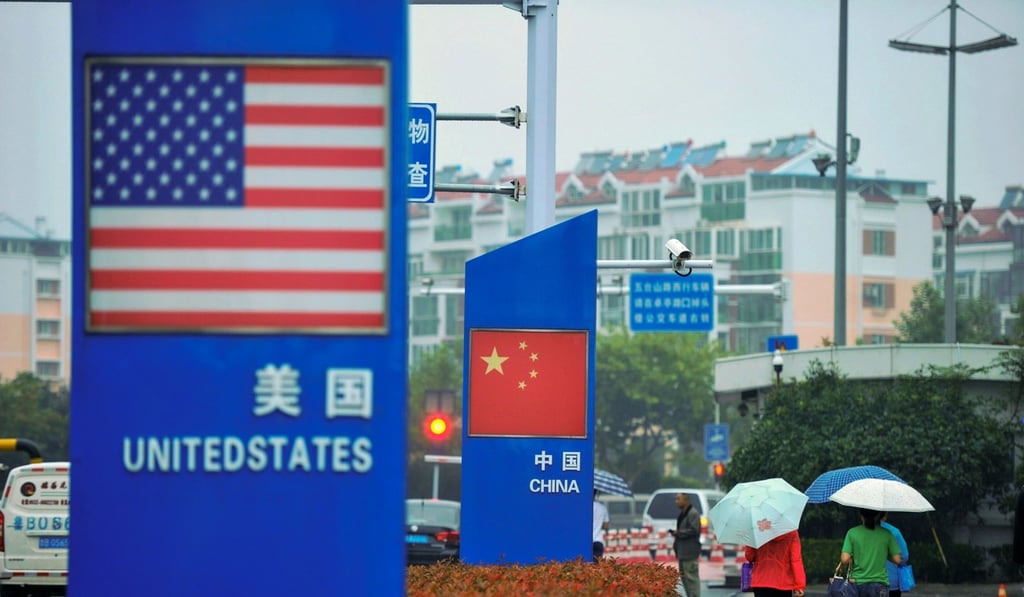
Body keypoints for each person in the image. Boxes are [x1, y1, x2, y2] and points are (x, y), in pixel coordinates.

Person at [840, 508, 901, 596]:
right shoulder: (887, 533)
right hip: (880, 584)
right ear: (878, 515)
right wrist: (883, 554)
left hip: (857, 583)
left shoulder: (852, 533)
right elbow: (898, 559)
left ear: (861, 516)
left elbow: (844, 559)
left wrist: (855, 554)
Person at [743, 529, 806, 597]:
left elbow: (750, 556)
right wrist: (799, 585)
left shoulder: (757, 530)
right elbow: (796, 560)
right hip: (783, 583)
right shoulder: (791, 531)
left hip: (760, 581)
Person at [668, 492, 701, 597]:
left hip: (689, 552)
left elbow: (694, 530)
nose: (676, 502)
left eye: (678, 499)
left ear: (686, 500)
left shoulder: (693, 513)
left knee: (691, 579)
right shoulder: (683, 513)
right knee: (685, 579)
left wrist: (679, 533)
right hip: (682, 552)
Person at [880, 512, 911, 596]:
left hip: (865, 582)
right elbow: (904, 557)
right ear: (885, 515)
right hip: (891, 581)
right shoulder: (894, 532)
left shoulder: (858, 532)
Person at [592, 490, 609, 563]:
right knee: (596, 568)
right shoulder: (602, 507)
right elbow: (606, 526)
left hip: (585, 542)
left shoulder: (583, 506)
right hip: (598, 541)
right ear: (596, 494)